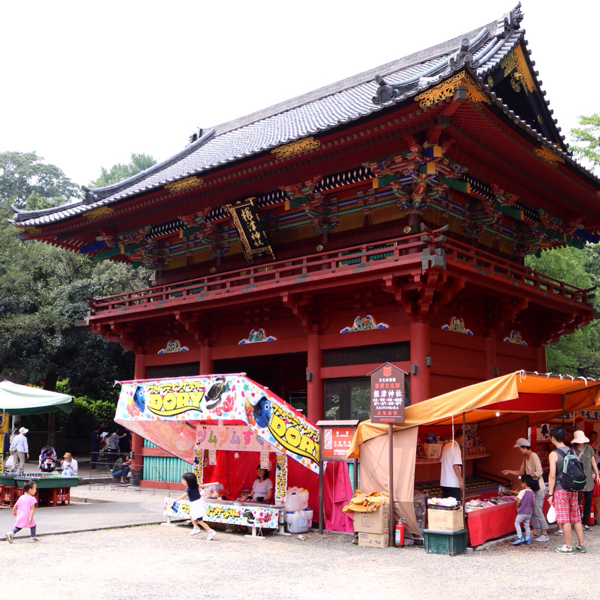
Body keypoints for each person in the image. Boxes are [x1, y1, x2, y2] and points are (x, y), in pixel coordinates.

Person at [501, 438, 549, 542]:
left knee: (538, 510)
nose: (519, 451)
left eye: (519, 448)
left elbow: (539, 472)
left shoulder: (533, 456)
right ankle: (535, 532)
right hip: (532, 489)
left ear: (524, 447)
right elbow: (521, 471)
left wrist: (529, 477)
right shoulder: (525, 458)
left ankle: (545, 533)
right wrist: (509, 471)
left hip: (539, 488)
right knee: (533, 510)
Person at [548, 425, 585, 554]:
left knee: (565, 519)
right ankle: (581, 544)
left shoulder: (553, 454)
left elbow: (552, 475)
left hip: (560, 489)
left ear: (553, 438)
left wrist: (550, 493)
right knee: (576, 517)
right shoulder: (571, 451)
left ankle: (569, 546)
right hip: (573, 489)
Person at [571, 430, 600, 531]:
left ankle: (585, 523)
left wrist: (597, 474)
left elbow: (593, 462)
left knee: (588, 502)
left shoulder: (589, 449)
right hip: (577, 480)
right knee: (577, 502)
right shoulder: (572, 450)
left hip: (588, 479)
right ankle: (577, 522)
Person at [174, 472, 217, 540]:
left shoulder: (189, 489)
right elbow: (204, 485)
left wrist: (175, 500)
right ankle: (196, 528)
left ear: (188, 481)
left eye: (183, 480)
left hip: (197, 504)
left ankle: (211, 531)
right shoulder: (195, 486)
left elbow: (183, 496)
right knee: (191, 515)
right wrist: (214, 483)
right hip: (197, 503)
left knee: (199, 520)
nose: (182, 481)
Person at [512, 474, 535, 545]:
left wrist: (517, 508)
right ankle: (528, 538)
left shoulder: (522, 492)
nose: (521, 484)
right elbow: (533, 502)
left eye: (521, 483)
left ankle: (520, 537)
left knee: (516, 523)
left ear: (524, 483)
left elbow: (518, 501)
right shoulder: (532, 493)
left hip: (522, 512)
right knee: (527, 525)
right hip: (529, 512)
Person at [440, 429, 463, 501]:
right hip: (453, 483)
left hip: (444, 482)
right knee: (455, 507)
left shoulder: (446, 446)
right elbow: (455, 465)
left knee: (446, 506)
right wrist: (461, 480)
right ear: (460, 436)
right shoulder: (456, 448)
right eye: (465, 438)